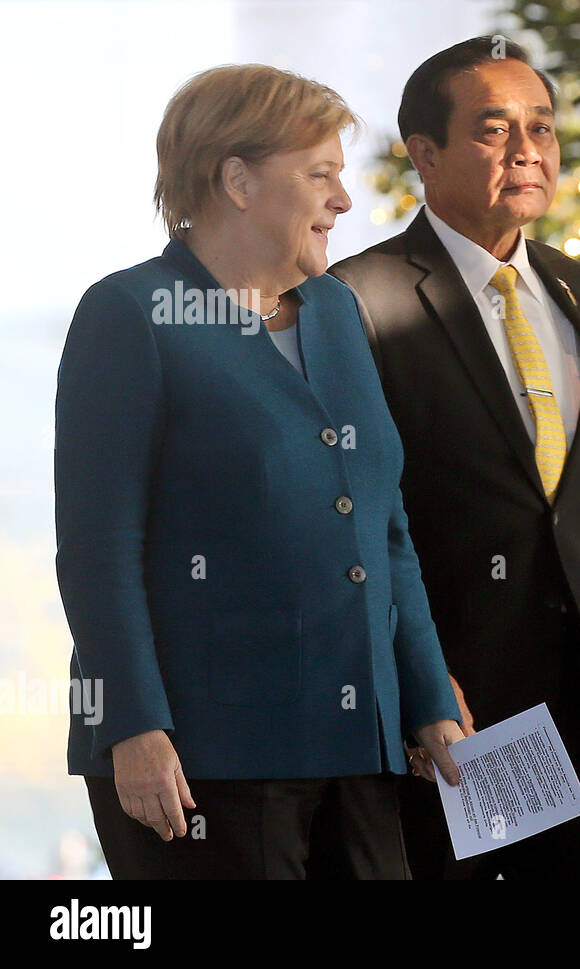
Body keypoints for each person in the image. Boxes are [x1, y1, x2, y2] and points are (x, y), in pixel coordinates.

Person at [329, 36, 580, 879]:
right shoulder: (356, 302)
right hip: (462, 729)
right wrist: (421, 689)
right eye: (494, 130)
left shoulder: (579, 291)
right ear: (425, 154)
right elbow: (358, 527)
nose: (528, 152)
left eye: (542, 129)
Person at [54, 64, 464, 880]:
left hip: (360, 748)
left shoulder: (338, 312)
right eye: (320, 176)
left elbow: (386, 526)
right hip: (201, 763)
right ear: (235, 180)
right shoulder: (129, 313)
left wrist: (429, 700)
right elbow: (99, 550)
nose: (343, 201)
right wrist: (131, 724)